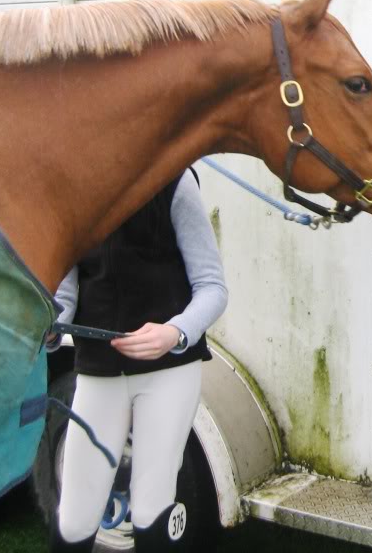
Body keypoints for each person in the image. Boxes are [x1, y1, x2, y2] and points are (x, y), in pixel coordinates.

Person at [48, 168, 228, 552]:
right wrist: (48, 328)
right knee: (74, 518)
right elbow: (64, 297)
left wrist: (174, 333)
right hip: (98, 371)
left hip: (168, 374)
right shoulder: (76, 192)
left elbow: (212, 287)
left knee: (152, 513)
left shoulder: (176, 183)